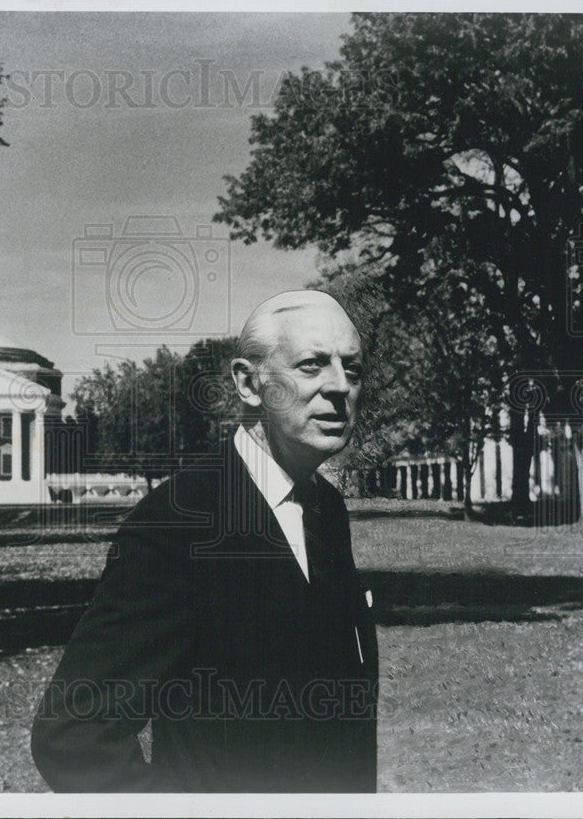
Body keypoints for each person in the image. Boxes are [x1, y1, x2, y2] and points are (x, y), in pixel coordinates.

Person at [31, 290, 378, 792]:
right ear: (248, 382)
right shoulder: (175, 526)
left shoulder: (328, 509)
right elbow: (72, 738)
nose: (339, 387)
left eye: (354, 368)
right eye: (312, 365)